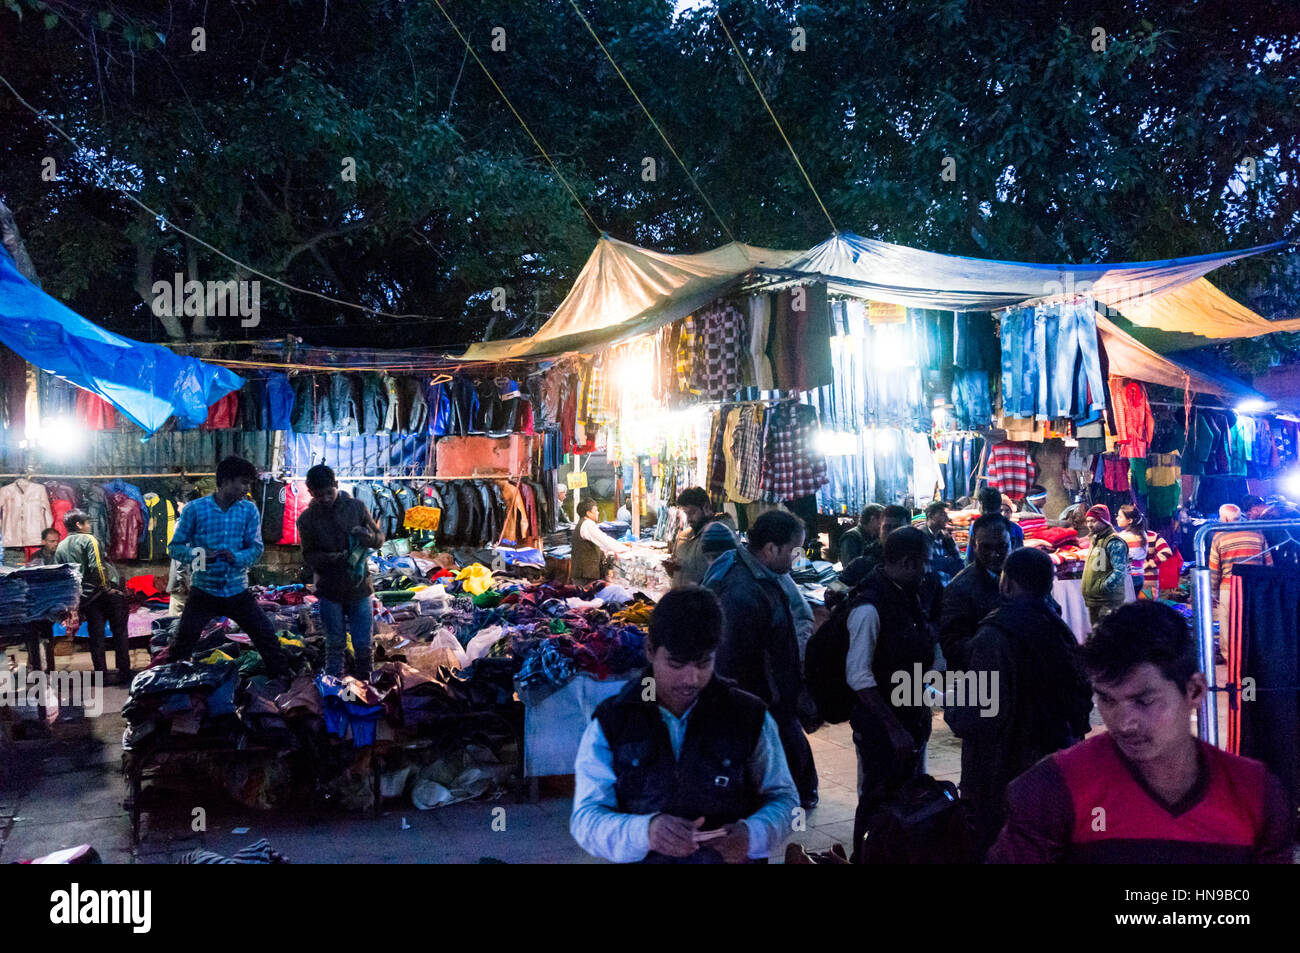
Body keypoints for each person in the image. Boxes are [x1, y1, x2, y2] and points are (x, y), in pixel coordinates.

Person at [988, 601, 1294, 862]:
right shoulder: (1054, 789)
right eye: (1107, 699)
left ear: (1195, 691)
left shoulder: (1255, 794)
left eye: (1144, 701)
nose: (1124, 723)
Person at [570, 585, 799, 863]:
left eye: (703, 663)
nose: (691, 679)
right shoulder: (614, 720)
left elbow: (789, 803)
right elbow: (584, 818)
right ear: (651, 650)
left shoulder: (748, 715)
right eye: (676, 664)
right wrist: (645, 832)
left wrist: (753, 833)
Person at [944, 548, 1093, 855]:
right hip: (1052, 762)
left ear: (1006, 583)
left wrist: (952, 707)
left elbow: (978, 714)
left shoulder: (994, 635)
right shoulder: (1059, 629)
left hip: (1000, 769)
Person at [704, 509, 818, 809]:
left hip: (771, 694)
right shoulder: (742, 591)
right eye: (794, 550)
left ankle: (796, 795)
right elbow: (733, 659)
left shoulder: (762, 574)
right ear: (770, 549)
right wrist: (760, 700)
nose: (798, 557)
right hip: (761, 696)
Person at [842, 527, 936, 846]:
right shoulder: (869, 607)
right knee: (876, 803)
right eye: (925, 562)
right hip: (880, 730)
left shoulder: (905, 595)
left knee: (905, 803)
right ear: (909, 562)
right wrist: (892, 727)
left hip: (909, 722)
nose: (928, 570)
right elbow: (859, 676)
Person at [166, 456, 291, 677]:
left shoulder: (249, 511)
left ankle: (283, 682)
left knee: (266, 637)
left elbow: (256, 548)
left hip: (237, 590)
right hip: (203, 591)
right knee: (182, 645)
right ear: (224, 481)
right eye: (243, 482)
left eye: (248, 483)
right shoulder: (195, 510)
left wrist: (236, 557)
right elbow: (175, 548)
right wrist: (202, 556)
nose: (246, 488)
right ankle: (171, 688)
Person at [296, 464, 385, 680]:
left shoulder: (356, 507)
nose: (325, 498)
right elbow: (308, 555)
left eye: (329, 492)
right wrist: (329, 558)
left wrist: (368, 537)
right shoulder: (306, 519)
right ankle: (333, 687)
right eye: (319, 495)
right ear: (310, 493)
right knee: (334, 644)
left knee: (363, 645)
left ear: (336, 485)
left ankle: (366, 687)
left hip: (359, 587)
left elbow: (379, 539)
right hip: (329, 589)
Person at [55, 510, 132, 684]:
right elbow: (97, 566)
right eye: (87, 523)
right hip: (104, 594)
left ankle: (101, 675)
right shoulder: (89, 539)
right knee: (119, 632)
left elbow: (62, 575)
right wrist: (107, 588)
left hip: (85, 598)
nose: (89, 526)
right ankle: (124, 672)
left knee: (95, 636)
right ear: (79, 525)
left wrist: (74, 600)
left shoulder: (61, 546)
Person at [938, 514, 1010, 670]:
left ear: (1011, 543)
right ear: (974, 544)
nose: (994, 553)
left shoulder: (1022, 579)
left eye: (1001, 546)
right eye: (986, 547)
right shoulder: (959, 589)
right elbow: (952, 646)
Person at [1208, 503, 1269, 649]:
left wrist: (1213, 593)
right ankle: (1255, 654)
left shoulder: (1219, 536)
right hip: (1255, 585)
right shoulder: (1257, 532)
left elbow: (1214, 569)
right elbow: (1268, 562)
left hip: (1229, 586)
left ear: (1225, 519)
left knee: (1228, 623)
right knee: (1254, 621)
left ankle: (1230, 656)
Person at [664, 487, 734, 588]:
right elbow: (678, 570)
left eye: (692, 513)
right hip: (682, 599)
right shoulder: (683, 536)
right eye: (686, 513)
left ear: (706, 507)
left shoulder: (721, 535)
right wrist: (671, 570)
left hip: (703, 601)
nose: (688, 518)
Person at [1081, 504, 1130, 628]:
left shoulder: (1113, 542)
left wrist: (1103, 587)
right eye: (1087, 521)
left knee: (1109, 637)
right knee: (1098, 637)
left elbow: (1120, 571)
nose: (1090, 524)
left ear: (1104, 521)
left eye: (1093, 521)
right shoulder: (1095, 540)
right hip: (1095, 601)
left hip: (1108, 602)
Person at [840, 504, 910, 587]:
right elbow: (835, 588)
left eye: (897, 528)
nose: (892, 532)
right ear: (880, 530)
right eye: (887, 528)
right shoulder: (861, 563)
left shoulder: (918, 562)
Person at [570, 497, 627, 585]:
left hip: (583, 574)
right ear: (589, 513)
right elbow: (604, 540)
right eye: (596, 510)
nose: (598, 513)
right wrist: (624, 549)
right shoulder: (587, 524)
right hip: (585, 576)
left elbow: (599, 542)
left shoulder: (584, 523)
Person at [965, 488, 1024, 564]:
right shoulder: (1016, 528)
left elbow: (970, 557)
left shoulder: (977, 527)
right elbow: (1020, 558)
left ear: (982, 505)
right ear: (999, 504)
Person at [1114, 504, 1149, 597]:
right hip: (1140, 576)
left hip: (1129, 577)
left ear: (1130, 520)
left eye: (1120, 517)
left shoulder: (1124, 537)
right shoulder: (1143, 534)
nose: (1117, 518)